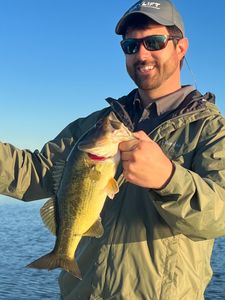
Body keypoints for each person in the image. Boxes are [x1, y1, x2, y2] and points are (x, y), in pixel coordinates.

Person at [1, 0, 225, 299]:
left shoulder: (211, 130)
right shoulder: (96, 125)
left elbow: (218, 218)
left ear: (180, 47)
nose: (141, 54)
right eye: (130, 46)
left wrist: (170, 179)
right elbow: (33, 172)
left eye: (154, 42)